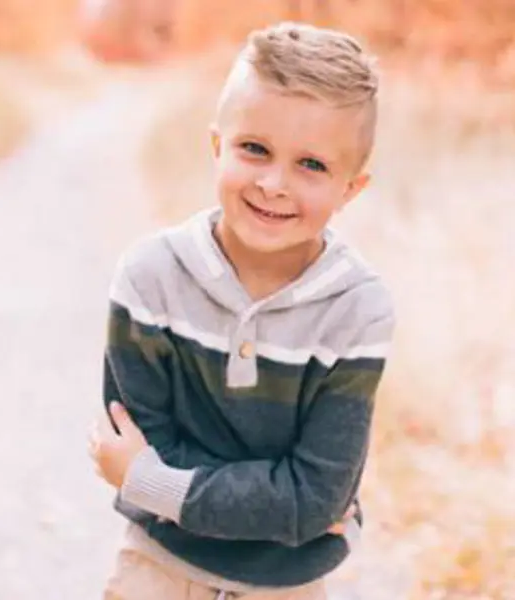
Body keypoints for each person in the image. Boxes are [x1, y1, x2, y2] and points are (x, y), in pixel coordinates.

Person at [88, 20, 395, 600]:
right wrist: (281, 504)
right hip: (158, 568)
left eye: (312, 165)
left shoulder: (357, 310)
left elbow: (315, 496)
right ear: (216, 147)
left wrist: (153, 482)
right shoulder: (149, 279)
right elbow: (135, 440)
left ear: (351, 188)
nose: (274, 184)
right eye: (254, 149)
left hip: (290, 586)